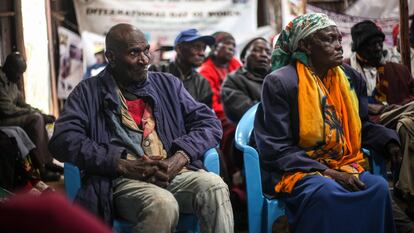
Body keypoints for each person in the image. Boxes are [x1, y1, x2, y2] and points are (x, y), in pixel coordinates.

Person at [48, 23, 233, 233]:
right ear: (111, 57)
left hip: (172, 172)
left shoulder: (168, 84)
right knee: (162, 203)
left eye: (146, 50)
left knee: (214, 186)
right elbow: (63, 139)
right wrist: (122, 164)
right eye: (134, 52)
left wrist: (179, 157)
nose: (144, 59)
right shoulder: (88, 92)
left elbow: (209, 123)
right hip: (123, 180)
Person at [254, 13, 398, 233]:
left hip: (342, 162)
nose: (339, 46)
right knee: (326, 191)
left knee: (378, 187)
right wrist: (329, 172)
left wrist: (390, 142)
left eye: (339, 39)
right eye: (329, 39)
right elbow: (276, 147)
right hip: (297, 168)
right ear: (306, 45)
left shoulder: (350, 78)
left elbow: (361, 125)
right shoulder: (281, 82)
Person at [349, 20, 414, 218]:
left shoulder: (398, 70)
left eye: (380, 42)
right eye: (372, 44)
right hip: (370, 122)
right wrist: (370, 106)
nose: (378, 48)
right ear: (359, 47)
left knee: (407, 124)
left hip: (400, 116)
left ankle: (406, 191)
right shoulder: (346, 70)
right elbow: (350, 106)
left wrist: (399, 107)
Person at [0, 52, 60, 182]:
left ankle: (47, 161)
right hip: (2, 120)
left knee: (39, 117)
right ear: (9, 68)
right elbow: (7, 109)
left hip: (10, 117)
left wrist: (39, 111)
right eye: (19, 73)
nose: (20, 77)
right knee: (36, 119)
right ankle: (43, 168)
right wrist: (34, 114)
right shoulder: (1, 81)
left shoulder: (11, 81)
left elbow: (22, 104)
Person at [149, 28, 214, 107]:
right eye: (196, 47)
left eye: (204, 48)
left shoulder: (202, 83)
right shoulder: (157, 71)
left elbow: (205, 115)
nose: (202, 53)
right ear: (179, 48)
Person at [221, 37, 272, 123]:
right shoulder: (232, 81)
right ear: (244, 57)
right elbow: (250, 114)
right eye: (256, 50)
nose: (264, 55)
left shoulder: (276, 77)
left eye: (268, 52)